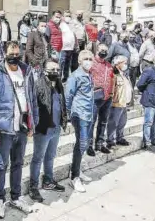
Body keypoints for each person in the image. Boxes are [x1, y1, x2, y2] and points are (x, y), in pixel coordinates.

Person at [0, 41, 38, 218]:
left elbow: (32, 100)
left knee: (18, 163)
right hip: (4, 128)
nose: (15, 57)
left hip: (21, 127)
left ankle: (16, 196)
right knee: (1, 165)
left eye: (17, 54)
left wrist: (32, 124)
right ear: (4, 53)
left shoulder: (26, 72)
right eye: (11, 54)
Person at [29, 59, 67, 202]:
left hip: (56, 128)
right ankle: (33, 187)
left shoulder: (58, 84)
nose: (55, 72)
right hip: (43, 128)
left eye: (57, 69)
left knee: (50, 156)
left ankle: (48, 181)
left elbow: (62, 103)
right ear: (44, 70)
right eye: (52, 69)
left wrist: (64, 120)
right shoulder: (38, 85)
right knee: (38, 158)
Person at [65, 50, 95, 193]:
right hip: (79, 114)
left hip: (89, 113)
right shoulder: (75, 76)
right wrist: (68, 114)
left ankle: (78, 169)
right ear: (79, 61)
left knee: (84, 144)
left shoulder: (89, 75)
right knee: (81, 143)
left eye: (91, 59)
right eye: (86, 59)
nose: (89, 61)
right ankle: (74, 177)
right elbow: (68, 96)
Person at [87, 44, 115, 156]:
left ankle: (99, 143)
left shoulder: (109, 65)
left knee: (103, 122)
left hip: (107, 97)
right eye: (102, 50)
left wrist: (111, 93)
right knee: (91, 122)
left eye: (106, 50)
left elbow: (112, 79)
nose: (104, 52)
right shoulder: (91, 63)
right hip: (95, 97)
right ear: (97, 50)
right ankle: (88, 145)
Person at [106, 55, 132, 149]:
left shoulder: (124, 74)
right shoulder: (113, 74)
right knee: (113, 122)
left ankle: (120, 138)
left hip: (124, 102)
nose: (126, 64)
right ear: (118, 64)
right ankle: (110, 140)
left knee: (122, 122)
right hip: (116, 103)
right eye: (124, 63)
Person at [59, 11, 79, 82]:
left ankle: (65, 77)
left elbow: (74, 35)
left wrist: (76, 45)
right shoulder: (61, 25)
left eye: (69, 16)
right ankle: (59, 78)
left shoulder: (72, 25)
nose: (68, 17)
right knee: (61, 63)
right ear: (63, 17)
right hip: (63, 48)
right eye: (66, 16)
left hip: (71, 48)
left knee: (67, 63)